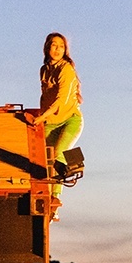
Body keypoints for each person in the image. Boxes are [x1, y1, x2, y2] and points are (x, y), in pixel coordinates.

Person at [27, 32, 83, 218]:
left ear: (65, 50)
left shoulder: (66, 69)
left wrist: (41, 117)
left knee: (59, 155)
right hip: (50, 121)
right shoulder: (44, 70)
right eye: (54, 45)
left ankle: (55, 200)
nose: (57, 49)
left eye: (61, 46)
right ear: (47, 48)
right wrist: (41, 117)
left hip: (69, 120)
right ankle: (46, 201)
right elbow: (45, 96)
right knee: (45, 161)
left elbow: (60, 101)